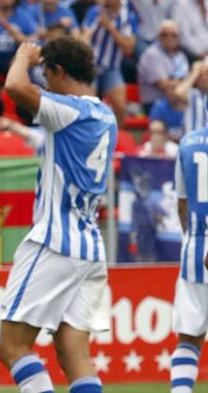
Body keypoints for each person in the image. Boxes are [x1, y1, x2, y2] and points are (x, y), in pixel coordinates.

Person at [0, 37, 116, 393]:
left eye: (46, 74)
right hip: (90, 248)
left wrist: (23, 56)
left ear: (59, 71)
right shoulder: (104, 114)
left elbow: (15, 86)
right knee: (72, 351)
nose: (44, 82)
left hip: (55, 241)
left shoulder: (69, 111)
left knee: (12, 347)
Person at [171, 126, 208, 393]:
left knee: (189, 337)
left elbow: (182, 204)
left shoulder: (187, 142)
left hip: (195, 248)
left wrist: (192, 240)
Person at [81, 0, 137, 128]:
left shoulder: (128, 16)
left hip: (112, 67)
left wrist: (110, 27)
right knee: (88, 102)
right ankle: (91, 134)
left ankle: (119, 136)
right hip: (91, 66)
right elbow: (84, 38)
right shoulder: (94, 12)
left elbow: (128, 48)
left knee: (120, 106)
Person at [137, 21, 189, 114]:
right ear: (158, 37)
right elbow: (165, 86)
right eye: (164, 35)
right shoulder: (152, 55)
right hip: (155, 104)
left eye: (173, 35)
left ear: (178, 38)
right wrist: (187, 82)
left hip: (177, 102)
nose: (169, 38)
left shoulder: (181, 56)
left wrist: (185, 83)